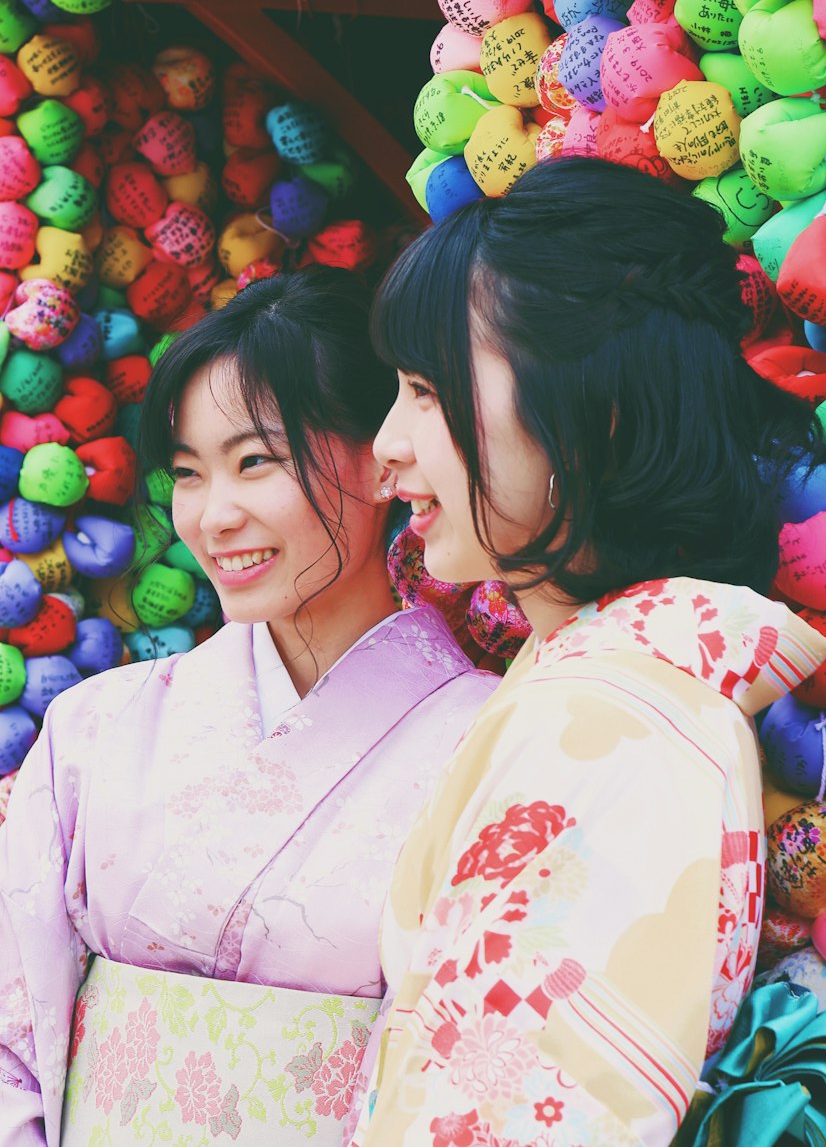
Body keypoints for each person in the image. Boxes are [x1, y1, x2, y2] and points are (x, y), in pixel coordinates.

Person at [352, 158, 826, 1147]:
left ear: (589, 410)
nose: (384, 447)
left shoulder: (606, 726)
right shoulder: (625, 694)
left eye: (423, 390)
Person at [0, 268, 497, 1147]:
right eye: (190, 475)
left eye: (254, 462)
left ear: (381, 459)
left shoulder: (492, 745)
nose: (211, 516)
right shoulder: (94, 729)